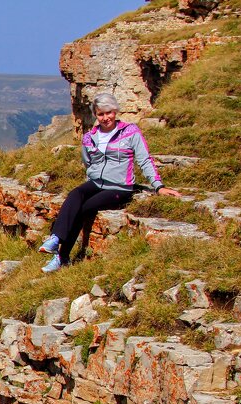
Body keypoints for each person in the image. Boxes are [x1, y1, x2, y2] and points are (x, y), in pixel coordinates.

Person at [39, 92, 182, 273]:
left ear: (115, 111)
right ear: (96, 115)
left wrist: (158, 186)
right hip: (96, 182)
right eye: (101, 114)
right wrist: (92, 178)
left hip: (119, 186)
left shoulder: (130, 132)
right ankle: (55, 239)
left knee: (85, 208)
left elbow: (144, 160)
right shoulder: (89, 137)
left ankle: (62, 256)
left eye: (109, 113)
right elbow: (87, 162)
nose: (105, 118)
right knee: (75, 194)